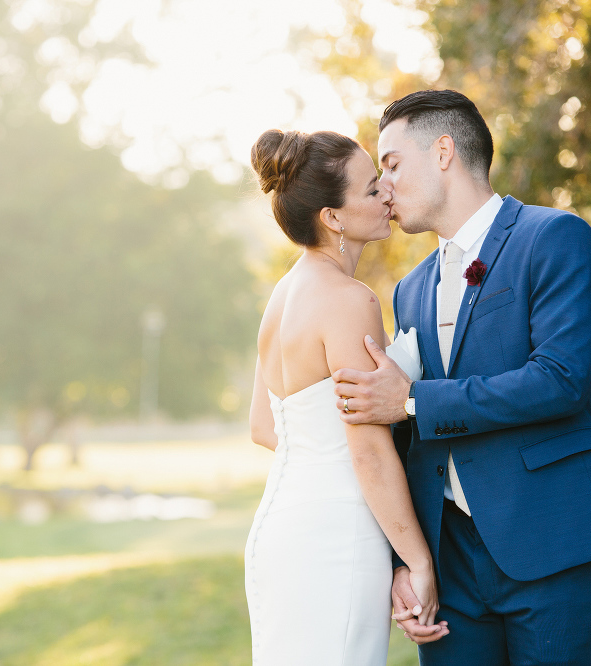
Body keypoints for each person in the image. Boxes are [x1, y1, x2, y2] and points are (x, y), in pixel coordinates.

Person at [333, 89, 591, 665]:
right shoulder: (412, 288)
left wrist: (412, 403)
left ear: (444, 151)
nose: (384, 186)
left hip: (551, 548)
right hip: (450, 566)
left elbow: (559, 381)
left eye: (393, 164)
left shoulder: (554, 238)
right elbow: (409, 440)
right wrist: (407, 558)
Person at [245, 128, 448, 665]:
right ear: (332, 217)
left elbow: (265, 428)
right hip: (336, 536)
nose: (386, 193)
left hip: (282, 526)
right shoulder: (348, 299)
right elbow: (367, 449)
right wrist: (417, 561)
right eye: (370, 188)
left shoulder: (283, 296)